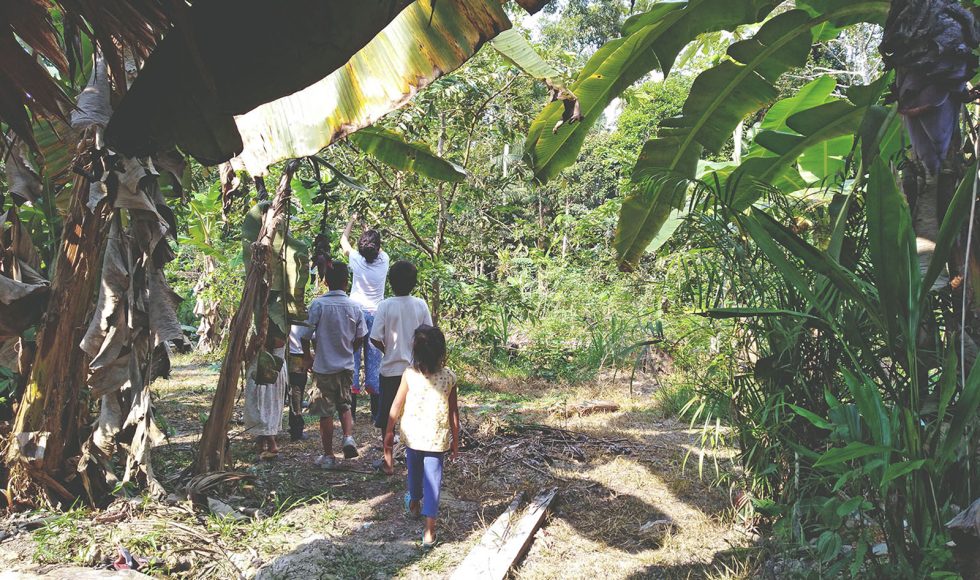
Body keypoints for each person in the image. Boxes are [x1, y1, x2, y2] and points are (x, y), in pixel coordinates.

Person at [384, 325, 459, 549]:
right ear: (441, 352)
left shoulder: (409, 375)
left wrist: (389, 432)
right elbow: (453, 412)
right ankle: (429, 531)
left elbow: (396, 406)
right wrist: (456, 441)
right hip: (436, 440)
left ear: (415, 351)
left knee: (414, 474)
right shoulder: (449, 377)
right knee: (433, 483)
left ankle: (414, 502)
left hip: (413, 437)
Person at [370, 261, 432, 463]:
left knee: (388, 417)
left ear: (391, 282)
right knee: (416, 413)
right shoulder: (420, 305)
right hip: (416, 370)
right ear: (414, 283)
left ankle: (388, 457)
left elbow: (374, 337)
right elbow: (429, 334)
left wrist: (387, 350)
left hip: (391, 369)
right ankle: (414, 453)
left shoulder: (385, 305)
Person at [304, 261, 363, 469]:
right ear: (347, 282)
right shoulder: (354, 306)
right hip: (346, 366)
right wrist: (350, 350)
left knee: (325, 412)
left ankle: (329, 455)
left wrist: (307, 357)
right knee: (345, 404)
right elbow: (360, 336)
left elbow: (305, 335)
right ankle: (348, 437)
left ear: (326, 282)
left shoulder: (318, 305)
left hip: (323, 367)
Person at [340, 217, 389, 422]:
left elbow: (344, 241)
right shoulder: (384, 260)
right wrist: (367, 230)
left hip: (355, 313)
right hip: (376, 314)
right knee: (374, 360)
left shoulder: (356, 260)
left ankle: (350, 410)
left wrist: (351, 221)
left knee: (352, 358)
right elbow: (373, 248)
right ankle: (376, 413)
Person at [244, 333, 288, 460]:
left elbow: (249, 354)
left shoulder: (263, 332)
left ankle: (271, 443)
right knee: (269, 407)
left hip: (265, 370)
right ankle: (262, 443)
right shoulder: (282, 330)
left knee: (261, 407)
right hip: (276, 370)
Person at [286, 323, 312, 441]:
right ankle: (296, 430)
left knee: (294, 393)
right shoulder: (305, 318)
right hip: (298, 356)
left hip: (289, 355)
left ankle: (294, 427)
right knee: (297, 394)